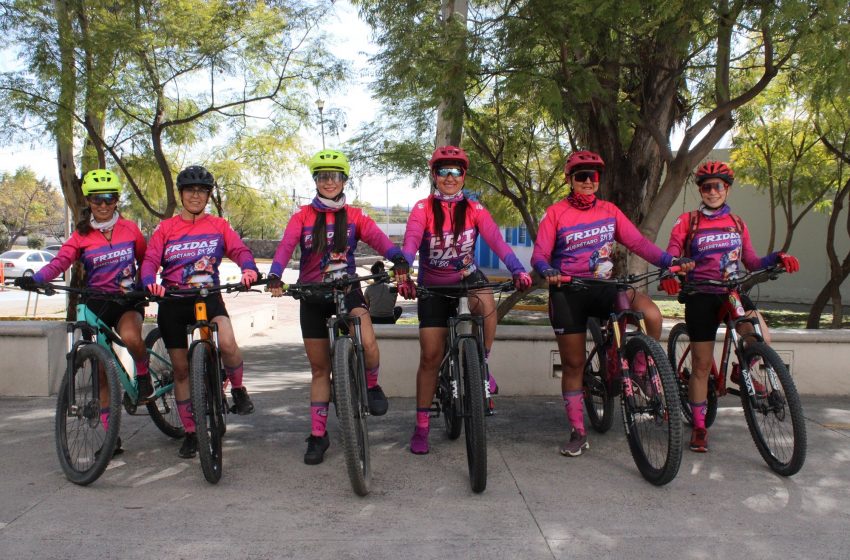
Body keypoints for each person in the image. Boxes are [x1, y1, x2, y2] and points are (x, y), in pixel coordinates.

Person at [531, 150, 693, 457]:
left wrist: (671, 261)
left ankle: (642, 369)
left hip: (604, 286)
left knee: (650, 313)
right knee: (574, 364)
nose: (589, 181)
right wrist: (547, 271)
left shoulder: (609, 210)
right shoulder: (555, 213)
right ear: (569, 179)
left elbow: (639, 243)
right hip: (569, 291)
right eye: (581, 176)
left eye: (593, 176)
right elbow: (539, 255)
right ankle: (578, 431)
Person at [267, 149, 409, 466]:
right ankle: (318, 435)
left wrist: (397, 257)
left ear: (344, 180)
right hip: (312, 296)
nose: (329, 181)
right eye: (322, 176)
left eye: (334, 176)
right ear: (316, 181)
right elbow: (284, 248)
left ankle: (371, 387)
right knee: (320, 370)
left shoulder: (356, 216)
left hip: (347, 292)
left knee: (369, 342)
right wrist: (275, 274)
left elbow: (381, 241)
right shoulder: (301, 216)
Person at [400, 145, 532, 455]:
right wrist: (403, 269)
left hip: (466, 277)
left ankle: (481, 366)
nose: (449, 177)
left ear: (463, 176)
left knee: (487, 302)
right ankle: (421, 427)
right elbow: (410, 241)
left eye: (456, 171)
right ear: (435, 176)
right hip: (433, 284)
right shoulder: (422, 208)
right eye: (443, 171)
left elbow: (498, 243)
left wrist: (517, 269)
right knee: (430, 356)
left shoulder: (475, 208)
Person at [661, 160, 800, 453]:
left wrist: (777, 257)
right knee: (700, 366)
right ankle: (699, 428)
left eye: (718, 186)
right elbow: (672, 253)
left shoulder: (737, 223)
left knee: (756, 328)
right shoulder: (688, 221)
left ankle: (745, 367)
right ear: (701, 190)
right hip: (700, 294)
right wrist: (671, 270)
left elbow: (751, 261)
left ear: (727, 189)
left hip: (731, 291)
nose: (713, 191)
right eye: (707, 186)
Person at [16, 169, 149, 456]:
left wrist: (147, 284)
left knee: (131, 337)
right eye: (97, 200)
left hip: (126, 302)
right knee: (100, 371)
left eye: (109, 198)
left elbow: (145, 260)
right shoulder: (81, 235)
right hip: (96, 301)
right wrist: (38, 278)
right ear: (88, 201)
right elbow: (61, 261)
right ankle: (111, 437)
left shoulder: (130, 230)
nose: (103, 205)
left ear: (116, 200)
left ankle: (143, 373)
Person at [141, 165, 259, 459]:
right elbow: (150, 260)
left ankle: (239, 390)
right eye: (190, 190)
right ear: (181, 194)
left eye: (202, 191)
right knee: (181, 371)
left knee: (229, 343)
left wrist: (248, 269)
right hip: (173, 301)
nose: (196, 196)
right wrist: (148, 283)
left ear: (208, 195)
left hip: (208, 298)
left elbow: (241, 250)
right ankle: (191, 432)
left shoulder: (219, 225)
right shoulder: (165, 228)